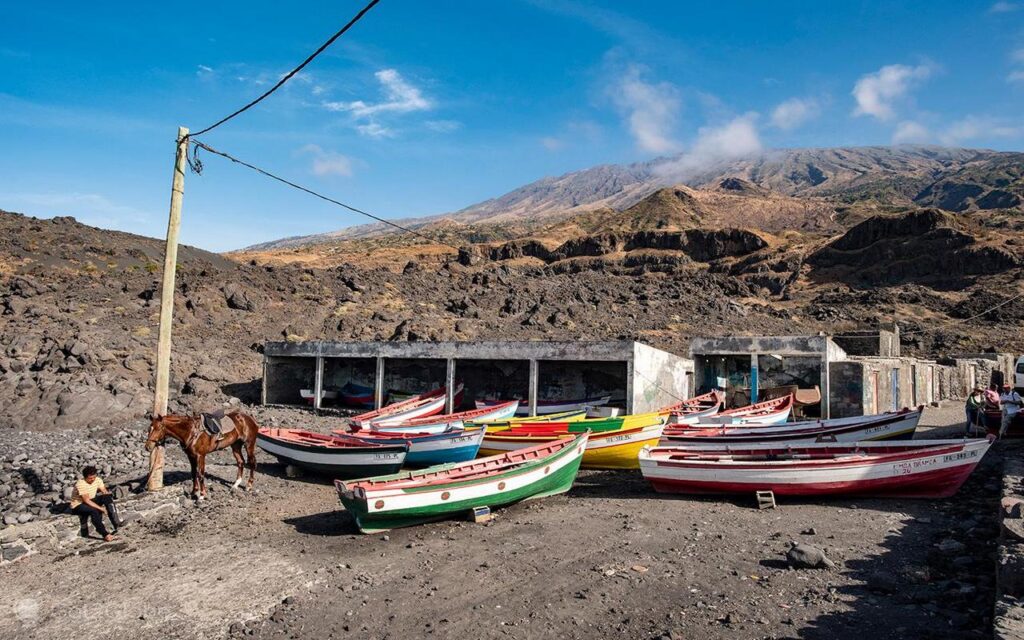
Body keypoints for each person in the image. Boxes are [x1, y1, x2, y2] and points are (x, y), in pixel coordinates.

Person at [69, 465, 121, 541]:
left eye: (94, 477)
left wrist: (107, 497)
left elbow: (104, 491)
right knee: (94, 510)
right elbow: (86, 500)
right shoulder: (80, 484)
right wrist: (101, 508)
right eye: (90, 478)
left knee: (107, 497)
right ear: (85, 477)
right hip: (78, 505)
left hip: (90, 500)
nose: (92, 479)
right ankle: (105, 534)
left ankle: (116, 523)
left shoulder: (97, 480)